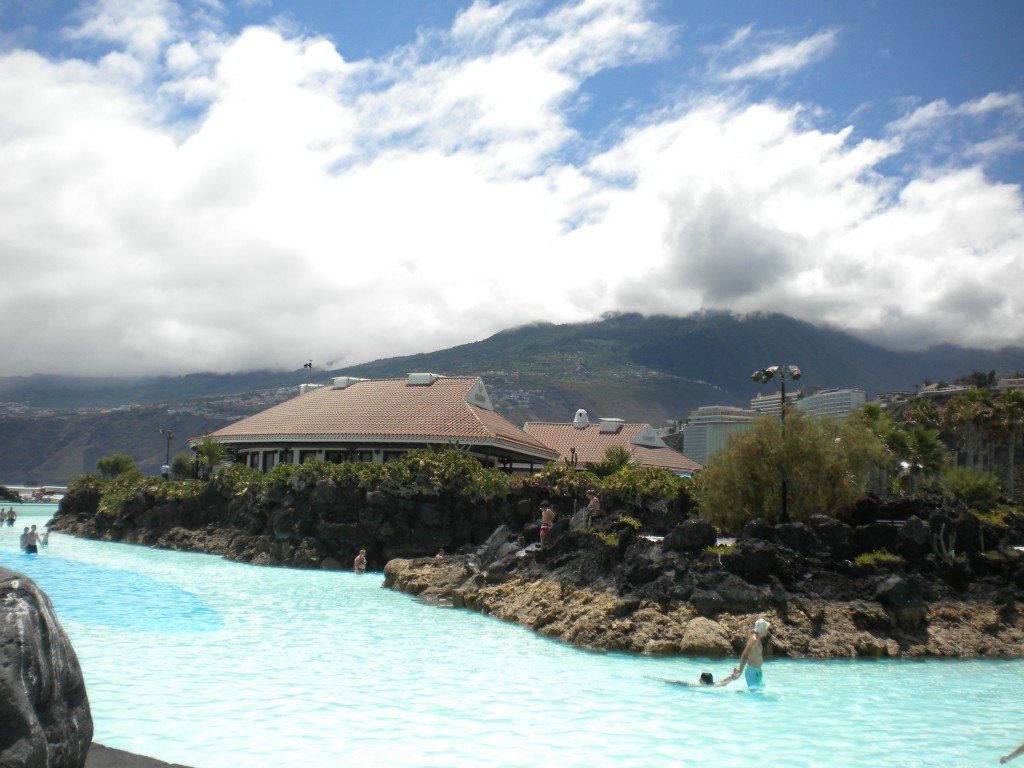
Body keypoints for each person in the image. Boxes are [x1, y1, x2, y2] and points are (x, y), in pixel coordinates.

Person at [735, 617, 770, 687]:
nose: (767, 630)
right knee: (754, 694)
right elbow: (745, 654)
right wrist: (740, 671)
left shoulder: (758, 639)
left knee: (759, 693)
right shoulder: (754, 640)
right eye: (766, 628)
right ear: (763, 630)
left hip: (757, 670)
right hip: (752, 672)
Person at [660, 669, 740, 688]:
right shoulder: (714, 683)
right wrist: (731, 676)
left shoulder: (713, 686)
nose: (699, 680)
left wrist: (732, 679)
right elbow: (723, 681)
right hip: (690, 685)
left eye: (700, 679)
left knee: (675, 683)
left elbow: (725, 683)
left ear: (704, 681)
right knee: (675, 682)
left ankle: (663, 680)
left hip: (689, 686)